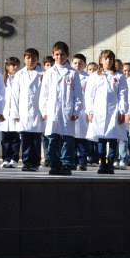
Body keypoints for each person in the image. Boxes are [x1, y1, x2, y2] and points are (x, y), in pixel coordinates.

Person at [39, 41, 83, 176]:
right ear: (53, 55)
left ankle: (66, 164)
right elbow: (44, 94)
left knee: (67, 140)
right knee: (52, 139)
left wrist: (76, 110)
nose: (59, 57)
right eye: (57, 54)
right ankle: (54, 164)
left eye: (62, 55)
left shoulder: (73, 73)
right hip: (52, 111)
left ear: (67, 55)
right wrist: (44, 110)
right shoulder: (49, 73)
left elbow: (78, 94)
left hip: (67, 111)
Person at [85, 49, 128, 175]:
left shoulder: (119, 76)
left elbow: (123, 94)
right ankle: (102, 162)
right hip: (98, 112)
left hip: (114, 111)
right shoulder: (94, 76)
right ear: (101, 60)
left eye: (110, 58)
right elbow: (89, 95)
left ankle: (110, 163)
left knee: (113, 138)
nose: (108, 61)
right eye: (105, 58)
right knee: (101, 139)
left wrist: (122, 111)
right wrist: (90, 111)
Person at [10, 48, 44, 172]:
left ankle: (35, 162)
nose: (31, 61)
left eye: (33, 58)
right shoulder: (19, 74)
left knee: (36, 139)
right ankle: (26, 161)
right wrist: (15, 112)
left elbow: (46, 94)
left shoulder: (43, 74)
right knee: (25, 139)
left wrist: (45, 111)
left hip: (38, 111)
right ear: (24, 59)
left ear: (37, 60)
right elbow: (15, 95)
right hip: (23, 111)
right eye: (28, 58)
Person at [0, 57, 21, 168]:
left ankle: (14, 159)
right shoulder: (2, 79)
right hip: (4, 112)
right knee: (5, 138)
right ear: (7, 67)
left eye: (17, 65)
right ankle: (5, 159)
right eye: (12, 65)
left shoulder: (21, 78)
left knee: (15, 138)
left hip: (16, 112)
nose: (15, 67)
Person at [71, 54, 91, 170]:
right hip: (71, 111)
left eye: (80, 63)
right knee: (71, 139)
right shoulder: (69, 75)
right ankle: (72, 161)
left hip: (83, 112)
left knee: (82, 140)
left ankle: (82, 162)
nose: (77, 65)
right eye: (75, 63)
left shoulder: (88, 78)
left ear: (84, 65)